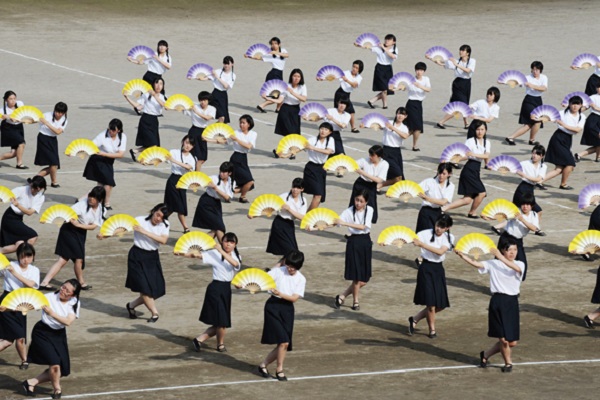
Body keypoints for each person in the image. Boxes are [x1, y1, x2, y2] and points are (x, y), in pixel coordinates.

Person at [455, 237, 524, 373]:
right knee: (503, 340)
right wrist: (463, 256)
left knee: (512, 342)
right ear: (503, 251)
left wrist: (499, 257)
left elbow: (514, 268)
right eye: (509, 250)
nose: (512, 252)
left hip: (512, 303)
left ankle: (485, 354)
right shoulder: (493, 263)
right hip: (497, 302)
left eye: (515, 250)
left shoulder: (520, 264)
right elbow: (478, 264)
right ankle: (508, 363)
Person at [22, 279, 81, 399]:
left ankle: (31, 382)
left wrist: (51, 313)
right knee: (55, 364)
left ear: (73, 295)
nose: (63, 291)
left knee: (63, 369)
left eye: (67, 291)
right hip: (42, 332)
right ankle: (57, 389)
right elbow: (28, 304)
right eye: (63, 287)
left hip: (59, 335)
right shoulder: (48, 297)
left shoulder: (74, 303)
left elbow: (68, 322)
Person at [39, 186, 106, 291]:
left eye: (94, 198)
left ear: (100, 200)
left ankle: (45, 282)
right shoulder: (81, 205)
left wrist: (79, 225)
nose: (91, 199)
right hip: (69, 231)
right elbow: (68, 215)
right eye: (90, 197)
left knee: (68, 259)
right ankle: (81, 282)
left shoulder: (101, 209)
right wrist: (73, 221)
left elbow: (93, 226)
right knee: (76, 259)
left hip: (80, 232)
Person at [258, 250, 306, 382]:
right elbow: (261, 280)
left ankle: (263, 365)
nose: (289, 269)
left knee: (284, 343)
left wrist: (280, 293)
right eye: (288, 265)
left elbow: (294, 298)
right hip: (273, 307)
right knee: (284, 341)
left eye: (293, 267)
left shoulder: (301, 279)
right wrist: (243, 285)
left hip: (287, 309)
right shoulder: (278, 271)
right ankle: (279, 369)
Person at [190, 232, 241, 353]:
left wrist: (220, 251)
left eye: (231, 242)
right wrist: (183, 253)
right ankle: (220, 345)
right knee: (222, 321)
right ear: (221, 242)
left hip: (226, 289)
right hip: (215, 288)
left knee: (221, 321)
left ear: (235, 244)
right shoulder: (214, 253)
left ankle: (199, 339)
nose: (228, 244)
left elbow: (235, 264)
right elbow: (199, 256)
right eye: (226, 241)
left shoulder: (236, 255)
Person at [122, 204, 170, 323]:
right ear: (153, 211)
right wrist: (107, 234)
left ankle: (131, 305)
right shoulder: (139, 220)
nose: (158, 218)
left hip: (152, 257)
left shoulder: (165, 225)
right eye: (157, 214)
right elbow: (123, 228)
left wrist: (144, 231)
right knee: (144, 288)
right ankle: (155, 313)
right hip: (136, 256)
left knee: (156, 289)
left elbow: (163, 240)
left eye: (162, 217)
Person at [408, 214, 454, 338]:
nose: (438, 228)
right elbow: (409, 238)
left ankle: (415, 319)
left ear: (447, 228)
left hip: (438, 270)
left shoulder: (449, 238)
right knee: (431, 304)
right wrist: (389, 242)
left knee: (441, 305)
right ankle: (432, 330)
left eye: (442, 227)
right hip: (426, 268)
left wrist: (422, 245)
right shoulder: (424, 233)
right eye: (437, 225)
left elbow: (440, 252)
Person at [0, 243, 40, 369]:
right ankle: (24, 360)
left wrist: (14, 273)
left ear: (33, 257)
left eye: (29, 256)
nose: (25, 260)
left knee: (13, 339)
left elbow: (30, 285)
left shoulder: (34, 270)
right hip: (7, 302)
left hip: (22, 304)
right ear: (18, 256)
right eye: (22, 257)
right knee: (16, 337)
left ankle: (24, 360)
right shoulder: (10, 266)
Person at [334, 190, 373, 311]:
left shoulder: (370, 210)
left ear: (366, 202)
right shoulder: (348, 211)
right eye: (356, 200)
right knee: (356, 276)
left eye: (361, 201)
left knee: (365, 279)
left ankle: (343, 295)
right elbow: (336, 222)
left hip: (365, 241)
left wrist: (345, 223)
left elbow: (363, 226)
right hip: (353, 242)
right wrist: (316, 227)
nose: (358, 203)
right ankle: (356, 301)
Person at [441, 120, 490, 217]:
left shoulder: (487, 142)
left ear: (485, 131)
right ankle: (472, 212)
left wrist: (487, 164)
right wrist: (455, 159)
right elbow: (466, 155)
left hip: (476, 170)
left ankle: (444, 208)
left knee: (467, 199)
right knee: (482, 193)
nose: (480, 132)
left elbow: (486, 155)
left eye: (482, 129)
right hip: (469, 169)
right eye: (478, 129)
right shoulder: (470, 141)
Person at [487, 193, 539, 281]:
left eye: (527, 205)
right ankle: (496, 281)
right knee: (499, 261)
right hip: (506, 238)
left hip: (518, 241)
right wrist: (489, 217)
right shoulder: (515, 211)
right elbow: (502, 215)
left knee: (522, 263)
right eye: (523, 204)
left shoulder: (534, 215)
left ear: (532, 206)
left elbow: (534, 228)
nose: (525, 207)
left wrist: (522, 219)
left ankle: (515, 282)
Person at [542, 96, 585, 190]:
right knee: (570, 163)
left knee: (559, 168)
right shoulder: (562, 113)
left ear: (581, 105)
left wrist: (564, 124)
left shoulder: (582, 117)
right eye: (573, 104)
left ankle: (538, 181)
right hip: (558, 138)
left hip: (568, 139)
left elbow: (578, 130)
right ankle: (563, 184)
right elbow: (550, 117)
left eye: (577, 104)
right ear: (569, 104)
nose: (575, 106)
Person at [82, 118, 126, 209]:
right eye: (110, 129)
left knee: (101, 185)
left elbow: (121, 154)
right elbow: (91, 145)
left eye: (113, 130)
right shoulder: (102, 135)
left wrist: (105, 154)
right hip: (98, 160)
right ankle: (106, 203)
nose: (111, 131)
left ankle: (85, 199)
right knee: (109, 182)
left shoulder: (122, 137)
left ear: (119, 130)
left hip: (108, 160)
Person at [433, 44, 476, 129]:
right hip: (458, 84)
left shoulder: (472, 61)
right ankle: (441, 122)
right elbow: (443, 64)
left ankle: (466, 123)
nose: (461, 52)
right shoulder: (456, 61)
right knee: (460, 106)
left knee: (465, 104)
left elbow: (468, 70)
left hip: (467, 84)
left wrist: (456, 64)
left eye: (463, 50)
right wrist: (434, 60)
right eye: (460, 50)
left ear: (468, 53)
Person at [505, 61, 548, 146]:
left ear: (540, 70)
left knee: (530, 124)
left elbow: (544, 88)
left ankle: (522, 138)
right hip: (528, 100)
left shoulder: (544, 77)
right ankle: (527, 139)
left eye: (537, 70)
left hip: (538, 100)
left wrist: (532, 85)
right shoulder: (527, 77)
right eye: (533, 69)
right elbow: (519, 83)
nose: (535, 71)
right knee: (536, 121)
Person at [0, 176, 46, 255]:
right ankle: (24, 257)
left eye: (33, 188)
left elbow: (29, 212)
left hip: (18, 219)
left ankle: (2, 252)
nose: (31, 189)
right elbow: (4, 197)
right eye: (31, 187)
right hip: (9, 218)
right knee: (33, 236)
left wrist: (18, 205)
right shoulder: (22, 189)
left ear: (39, 189)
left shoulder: (41, 197)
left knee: (20, 244)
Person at [192, 162, 235, 243]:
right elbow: (199, 182)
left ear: (229, 173)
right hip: (206, 202)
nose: (221, 174)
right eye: (220, 171)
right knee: (219, 226)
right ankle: (223, 247)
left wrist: (215, 188)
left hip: (216, 204)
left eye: (224, 172)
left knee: (215, 228)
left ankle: (201, 244)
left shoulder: (231, 182)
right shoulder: (213, 178)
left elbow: (227, 197)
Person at [124, 78, 166, 160]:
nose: (158, 86)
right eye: (156, 83)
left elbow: (164, 105)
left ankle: (135, 150)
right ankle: (144, 158)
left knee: (154, 145)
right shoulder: (147, 95)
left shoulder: (162, 97)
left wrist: (154, 95)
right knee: (153, 144)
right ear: (153, 84)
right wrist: (127, 97)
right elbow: (138, 106)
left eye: (161, 84)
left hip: (154, 121)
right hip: (145, 120)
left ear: (163, 86)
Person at [266, 178, 307, 259]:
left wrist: (289, 209)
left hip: (290, 225)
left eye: (298, 188)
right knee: (290, 251)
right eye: (294, 187)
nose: (295, 190)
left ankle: (274, 270)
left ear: (302, 189)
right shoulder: (283, 196)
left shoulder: (303, 201)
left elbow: (302, 217)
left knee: (292, 252)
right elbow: (270, 207)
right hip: (279, 224)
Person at [164, 135, 196, 233]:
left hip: (183, 181)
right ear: (182, 142)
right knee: (176, 205)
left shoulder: (192, 158)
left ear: (192, 147)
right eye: (186, 142)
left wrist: (173, 160)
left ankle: (160, 219)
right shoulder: (174, 152)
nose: (188, 146)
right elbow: (164, 158)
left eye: (190, 144)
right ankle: (185, 227)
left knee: (174, 206)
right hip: (173, 180)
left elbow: (188, 167)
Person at [350, 145, 388, 224]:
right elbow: (352, 164)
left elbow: (379, 180)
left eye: (372, 155)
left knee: (370, 206)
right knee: (356, 204)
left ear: (379, 156)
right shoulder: (365, 160)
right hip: (360, 184)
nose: (370, 157)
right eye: (370, 155)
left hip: (371, 186)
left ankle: (366, 225)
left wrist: (362, 172)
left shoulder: (384, 164)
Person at [301, 122, 335, 210]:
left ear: (330, 132)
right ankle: (308, 218)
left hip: (322, 169)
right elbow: (302, 147)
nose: (323, 131)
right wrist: (289, 153)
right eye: (322, 128)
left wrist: (312, 148)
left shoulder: (330, 140)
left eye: (326, 129)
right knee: (318, 194)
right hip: (311, 168)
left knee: (319, 197)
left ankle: (307, 217)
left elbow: (328, 151)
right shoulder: (312, 139)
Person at [512, 145, 547, 229]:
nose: (534, 155)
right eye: (533, 153)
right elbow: (514, 168)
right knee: (538, 210)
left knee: (515, 212)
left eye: (538, 154)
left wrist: (524, 175)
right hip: (523, 189)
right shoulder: (525, 163)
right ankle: (536, 228)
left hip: (530, 189)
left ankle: (497, 227)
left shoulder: (543, 166)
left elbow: (538, 179)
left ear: (542, 156)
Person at [34, 102, 68, 188]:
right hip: (43, 138)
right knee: (54, 163)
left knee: (55, 165)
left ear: (64, 113)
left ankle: (36, 179)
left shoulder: (64, 120)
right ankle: (54, 182)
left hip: (53, 140)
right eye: (57, 112)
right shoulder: (46, 115)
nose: (58, 114)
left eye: (61, 113)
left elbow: (57, 132)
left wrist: (47, 123)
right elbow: (34, 119)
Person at [416, 162, 455, 234]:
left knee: (438, 235)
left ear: (449, 174)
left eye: (444, 174)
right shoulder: (429, 181)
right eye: (440, 173)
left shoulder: (450, 186)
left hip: (438, 212)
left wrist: (427, 198)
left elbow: (443, 202)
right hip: (425, 212)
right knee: (425, 235)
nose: (441, 176)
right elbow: (415, 189)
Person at [271, 68, 307, 142]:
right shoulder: (286, 86)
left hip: (296, 110)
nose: (296, 78)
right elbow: (280, 100)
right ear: (291, 76)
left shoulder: (302, 86)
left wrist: (292, 92)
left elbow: (303, 99)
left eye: (298, 76)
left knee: (295, 132)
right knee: (289, 132)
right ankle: (287, 151)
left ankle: (284, 151)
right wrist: (269, 99)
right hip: (285, 110)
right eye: (294, 76)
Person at [255, 37, 289, 113]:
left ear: (279, 44)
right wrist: (250, 56)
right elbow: (260, 58)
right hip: (274, 74)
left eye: (275, 43)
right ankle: (262, 105)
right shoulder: (270, 54)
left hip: (279, 74)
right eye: (272, 44)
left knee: (281, 93)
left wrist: (276, 53)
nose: (274, 45)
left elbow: (287, 55)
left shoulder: (282, 51)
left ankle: (278, 109)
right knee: (280, 95)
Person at [228, 114, 257, 203]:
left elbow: (249, 146)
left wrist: (237, 140)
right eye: (240, 123)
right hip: (236, 158)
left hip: (244, 158)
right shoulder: (235, 133)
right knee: (249, 181)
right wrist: (209, 139)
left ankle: (231, 192)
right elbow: (225, 141)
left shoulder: (253, 134)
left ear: (249, 124)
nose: (241, 125)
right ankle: (242, 196)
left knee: (250, 185)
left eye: (243, 123)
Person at [403, 62, 431, 151]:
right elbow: (404, 87)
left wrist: (420, 86)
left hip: (419, 104)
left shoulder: (426, 79)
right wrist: (398, 87)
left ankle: (413, 144)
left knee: (414, 127)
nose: (419, 72)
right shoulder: (411, 80)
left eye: (421, 70)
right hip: (411, 104)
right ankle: (413, 145)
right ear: (415, 71)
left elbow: (428, 89)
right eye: (418, 70)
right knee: (417, 126)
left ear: (424, 71)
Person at [364, 34, 397, 109]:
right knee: (384, 89)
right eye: (386, 39)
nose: (386, 41)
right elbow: (369, 47)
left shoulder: (394, 49)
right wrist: (359, 45)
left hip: (388, 68)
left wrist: (383, 48)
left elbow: (393, 56)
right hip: (380, 68)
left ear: (393, 42)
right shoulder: (379, 48)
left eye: (389, 40)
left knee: (389, 89)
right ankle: (385, 105)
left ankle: (372, 100)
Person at [378, 107, 408, 190]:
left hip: (396, 152)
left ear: (405, 116)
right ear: (396, 114)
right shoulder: (389, 123)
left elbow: (405, 136)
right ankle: (379, 185)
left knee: (399, 175)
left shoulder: (404, 127)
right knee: (395, 172)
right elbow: (380, 126)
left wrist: (393, 128)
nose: (400, 116)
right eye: (399, 113)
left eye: (403, 114)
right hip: (386, 150)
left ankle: (380, 185)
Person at [185, 91, 216, 170]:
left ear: (208, 101)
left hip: (204, 132)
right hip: (194, 131)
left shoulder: (212, 109)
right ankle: (196, 173)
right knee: (194, 154)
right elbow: (184, 110)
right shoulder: (194, 107)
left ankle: (196, 171)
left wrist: (196, 111)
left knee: (203, 157)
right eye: (201, 100)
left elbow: (207, 118)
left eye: (205, 100)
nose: (203, 102)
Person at [332, 60, 363, 132]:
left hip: (347, 95)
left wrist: (346, 80)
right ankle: (337, 126)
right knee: (339, 110)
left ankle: (352, 127)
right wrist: (323, 78)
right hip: (339, 93)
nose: (354, 69)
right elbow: (335, 77)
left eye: (356, 68)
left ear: (359, 69)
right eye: (354, 66)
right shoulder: (346, 73)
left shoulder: (359, 77)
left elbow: (354, 85)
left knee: (351, 111)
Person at [0, 90, 28, 169]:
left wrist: (12, 116)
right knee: (21, 143)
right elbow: (2, 117)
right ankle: (19, 164)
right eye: (10, 99)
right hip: (8, 128)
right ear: (6, 100)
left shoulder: (20, 104)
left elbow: (23, 112)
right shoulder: (2, 110)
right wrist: (8, 117)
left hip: (18, 127)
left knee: (14, 153)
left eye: (14, 98)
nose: (13, 101)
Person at [576, 82, 600, 162]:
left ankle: (580, 155)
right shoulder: (592, 97)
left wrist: (596, 108)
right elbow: (585, 107)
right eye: (598, 87)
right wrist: (575, 112)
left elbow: (595, 107)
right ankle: (598, 157)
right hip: (593, 119)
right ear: (596, 88)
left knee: (598, 143)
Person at [208, 56, 235, 123]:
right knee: (221, 116)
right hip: (215, 94)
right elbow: (208, 77)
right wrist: (195, 77)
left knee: (223, 118)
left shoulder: (233, 75)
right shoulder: (218, 71)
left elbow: (226, 86)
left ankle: (215, 129)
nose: (226, 65)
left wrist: (217, 77)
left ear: (232, 64)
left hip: (223, 95)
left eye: (227, 64)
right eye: (224, 63)